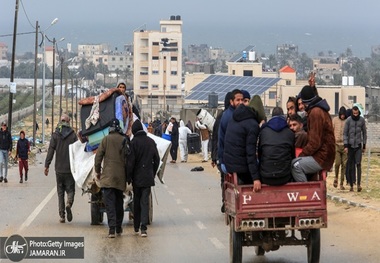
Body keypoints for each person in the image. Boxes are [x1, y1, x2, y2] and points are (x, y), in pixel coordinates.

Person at [291, 85, 335, 182]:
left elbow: (315, 142)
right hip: (324, 154)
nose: (301, 106)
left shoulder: (315, 113)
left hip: (322, 156)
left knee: (295, 166)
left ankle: (305, 193)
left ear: (306, 102)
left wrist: (302, 155)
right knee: (296, 162)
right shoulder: (319, 110)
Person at [94, 118, 127, 238]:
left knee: (110, 204)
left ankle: (112, 229)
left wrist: (97, 172)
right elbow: (128, 159)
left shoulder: (105, 139)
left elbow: (98, 157)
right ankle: (118, 227)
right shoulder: (124, 140)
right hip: (120, 178)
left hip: (107, 178)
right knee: (119, 203)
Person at [127, 121, 160, 237]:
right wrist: (153, 172)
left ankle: (136, 226)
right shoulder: (151, 142)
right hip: (147, 177)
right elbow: (157, 159)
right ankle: (144, 228)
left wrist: (129, 177)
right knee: (145, 201)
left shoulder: (133, 143)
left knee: (136, 201)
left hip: (136, 178)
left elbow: (130, 162)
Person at [44, 114, 78, 223]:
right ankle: (69, 203)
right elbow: (77, 151)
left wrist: (46, 165)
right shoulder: (73, 135)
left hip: (58, 169)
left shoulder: (55, 135)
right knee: (71, 190)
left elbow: (50, 151)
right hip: (69, 169)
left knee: (60, 193)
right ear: (68, 122)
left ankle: (62, 215)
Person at [224, 103, 261, 191]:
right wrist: (256, 178)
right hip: (241, 169)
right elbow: (250, 153)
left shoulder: (234, 119)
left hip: (230, 166)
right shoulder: (252, 125)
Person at [258, 107, 295, 185]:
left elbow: (260, 155)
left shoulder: (264, 132)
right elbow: (292, 156)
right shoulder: (290, 133)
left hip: (266, 177)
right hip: (284, 177)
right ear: (283, 116)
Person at [211, 92, 231, 213]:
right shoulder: (224, 117)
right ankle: (226, 201)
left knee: (224, 180)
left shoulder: (221, 116)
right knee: (225, 179)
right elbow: (217, 137)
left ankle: (226, 201)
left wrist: (214, 157)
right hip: (223, 154)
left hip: (222, 155)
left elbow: (214, 138)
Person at [218, 89, 244, 174]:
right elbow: (221, 139)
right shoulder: (229, 117)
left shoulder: (239, 114)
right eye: (238, 100)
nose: (240, 102)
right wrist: (222, 161)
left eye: (242, 100)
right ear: (231, 101)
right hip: (231, 161)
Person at [343, 106, 367, 192]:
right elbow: (345, 133)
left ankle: (359, 184)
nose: (355, 115)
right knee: (350, 165)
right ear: (352, 112)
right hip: (350, 146)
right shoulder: (348, 120)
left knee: (358, 164)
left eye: (357, 113)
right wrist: (345, 145)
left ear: (358, 112)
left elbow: (364, 133)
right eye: (354, 113)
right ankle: (351, 184)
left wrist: (364, 145)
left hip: (358, 146)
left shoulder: (361, 120)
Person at [332, 106, 348, 190]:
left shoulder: (347, 121)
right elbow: (331, 131)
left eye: (343, 115)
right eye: (341, 115)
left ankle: (342, 183)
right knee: (337, 163)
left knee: (344, 165)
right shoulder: (334, 120)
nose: (342, 116)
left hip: (345, 145)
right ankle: (336, 178)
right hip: (336, 145)